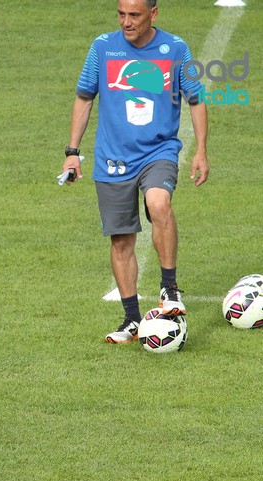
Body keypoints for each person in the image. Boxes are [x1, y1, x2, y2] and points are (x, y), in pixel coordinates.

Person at [61, 0, 208, 343]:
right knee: (121, 240)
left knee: (159, 204)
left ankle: (169, 288)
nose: (126, 22)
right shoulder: (102, 47)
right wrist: (72, 153)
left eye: (134, 15)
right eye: (121, 14)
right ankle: (131, 319)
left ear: (153, 14)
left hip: (159, 151)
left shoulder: (175, 49)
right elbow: (84, 98)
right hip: (112, 159)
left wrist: (201, 150)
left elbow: (196, 99)